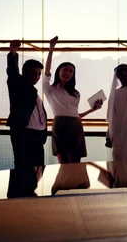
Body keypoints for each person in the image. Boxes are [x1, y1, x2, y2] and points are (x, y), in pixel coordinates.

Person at [44, 36, 103, 164]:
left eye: (71, 71)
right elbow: (47, 71)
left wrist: (92, 110)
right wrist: (51, 49)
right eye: (65, 70)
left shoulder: (76, 93)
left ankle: (76, 183)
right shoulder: (51, 89)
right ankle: (65, 184)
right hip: (60, 125)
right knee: (63, 161)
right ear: (58, 71)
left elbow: (76, 115)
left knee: (76, 161)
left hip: (76, 125)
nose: (68, 73)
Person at [6, 40, 47, 168]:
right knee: (23, 169)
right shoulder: (18, 84)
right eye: (33, 73)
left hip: (37, 137)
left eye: (39, 74)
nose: (37, 76)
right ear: (24, 72)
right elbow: (12, 71)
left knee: (37, 171)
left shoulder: (33, 91)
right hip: (24, 134)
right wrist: (13, 52)